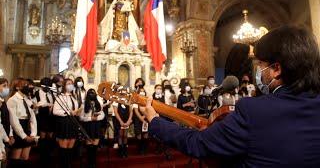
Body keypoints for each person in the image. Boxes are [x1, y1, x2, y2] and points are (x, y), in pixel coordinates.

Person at [139, 26, 320, 167]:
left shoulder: (254, 112)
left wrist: (155, 120)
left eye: (261, 64)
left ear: (276, 69)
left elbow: (197, 143)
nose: (258, 71)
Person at [7, 78, 37, 167]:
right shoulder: (12, 100)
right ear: (17, 87)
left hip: (27, 127)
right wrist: (23, 136)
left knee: (25, 157)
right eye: (25, 85)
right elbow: (14, 121)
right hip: (18, 130)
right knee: (16, 159)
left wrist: (33, 133)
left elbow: (32, 117)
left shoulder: (27, 100)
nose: (27, 87)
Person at [53, 78, 80, 168]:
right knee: (64, 146)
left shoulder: (74, 97)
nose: (70, 85)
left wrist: (78, 111)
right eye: (68, 83)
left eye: (72, 83)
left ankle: (69, 164)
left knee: (71, 145)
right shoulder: (60, 97)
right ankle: (63, 164)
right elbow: (55, 111)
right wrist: (69, 113)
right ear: (64, 86)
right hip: (64, 122)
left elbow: (75, 110)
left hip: (73, 122)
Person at [79, 89, 105, 168]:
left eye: (93, 93)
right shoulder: (84, 104)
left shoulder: (98, 103)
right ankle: (89, 163)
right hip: (88, 126)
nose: (92, 95)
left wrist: (97, 118)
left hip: (96, 125)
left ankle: (93, 163)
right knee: (89, 146)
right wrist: (90, 118)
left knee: (95, 146)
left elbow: (102, 115)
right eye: (90, 93)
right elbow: (81, 117)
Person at [35, 77, 55, 167]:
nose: (47, 88)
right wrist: (47, 105)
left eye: (49, 86)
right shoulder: (37, 93)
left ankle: (49, 156)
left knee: (50, 137)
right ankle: (42, 157)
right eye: (46, 86)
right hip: (42, 117)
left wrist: (52, 106)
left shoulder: (51, 93)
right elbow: (36, 104)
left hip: (51, 118)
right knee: (42, 137)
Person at [114, 88, 133, 158]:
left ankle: (125, 150)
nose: (124, 95)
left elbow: (131, 111)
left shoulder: (128, 101)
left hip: (127, 120)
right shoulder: (116, 101)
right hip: (119, 120)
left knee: (125, 135)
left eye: (125, 93)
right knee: (120, 135)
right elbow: (116, 112)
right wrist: (120, 121)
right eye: (122, 93)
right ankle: (120, 151)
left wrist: (129, 121)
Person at [0, 78, 14, 167]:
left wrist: (9, 135)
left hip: (4, 135)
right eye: (4, 86)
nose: (6, 88)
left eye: (7, 86)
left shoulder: (3, 101)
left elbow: (7, 120)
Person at [132, 88, 148, 155]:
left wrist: (144, 117)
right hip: (138, 119)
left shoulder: (147, 100)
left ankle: (145, 149)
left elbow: (148, 109)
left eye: (143, 91)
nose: (142, 92)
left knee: (145, 134)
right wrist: (141, 118)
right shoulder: (136, 100)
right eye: (140, 91)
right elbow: (136, 110)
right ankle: (140, 149)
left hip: (146, 118)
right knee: (138, 134)